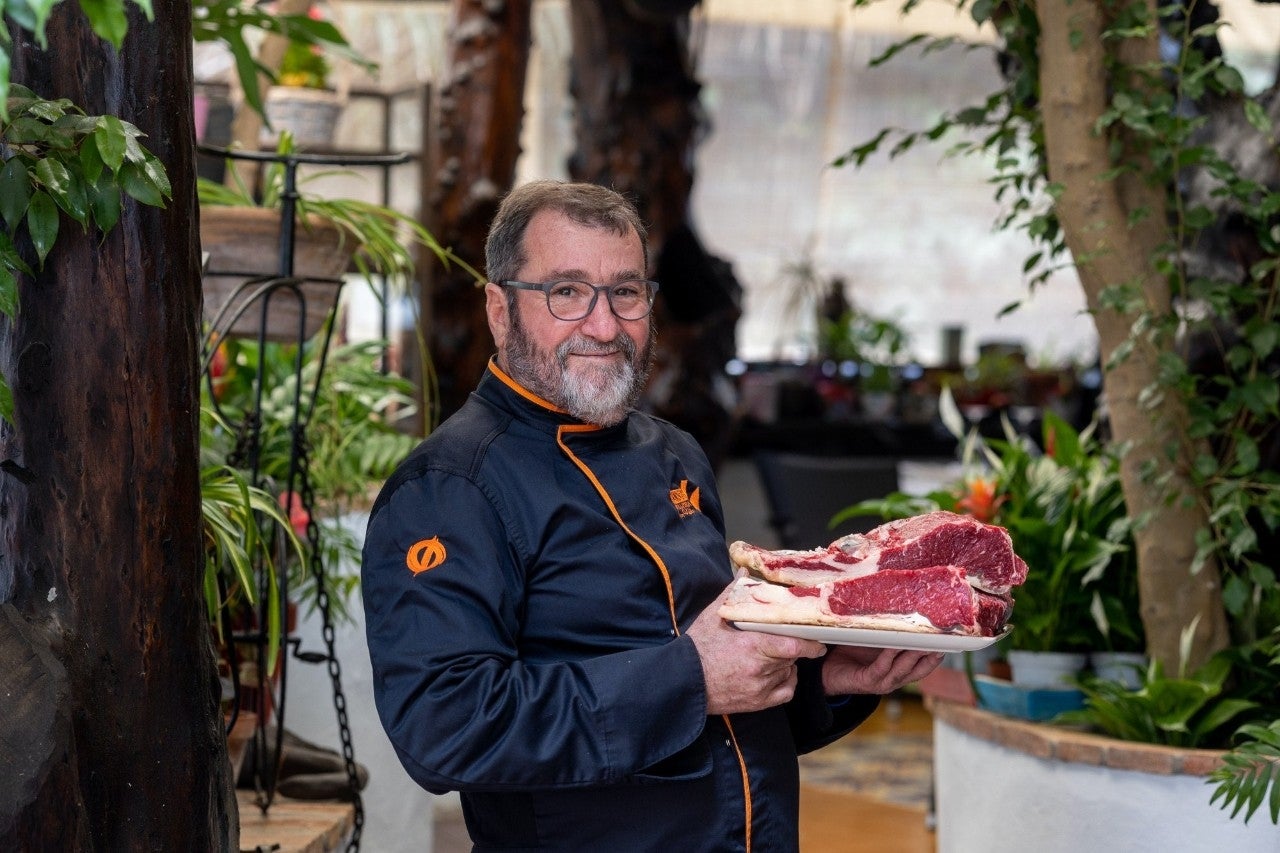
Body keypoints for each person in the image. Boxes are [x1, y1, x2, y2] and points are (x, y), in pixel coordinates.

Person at [361, 180, 942, 851]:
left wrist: (828, 683)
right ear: (500, 309)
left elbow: (717, 706)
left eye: (626, 292)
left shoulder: (675, 452)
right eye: (567, 291)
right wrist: (691, 677)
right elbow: (446, 727)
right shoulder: (449, 486)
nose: (605, 326)